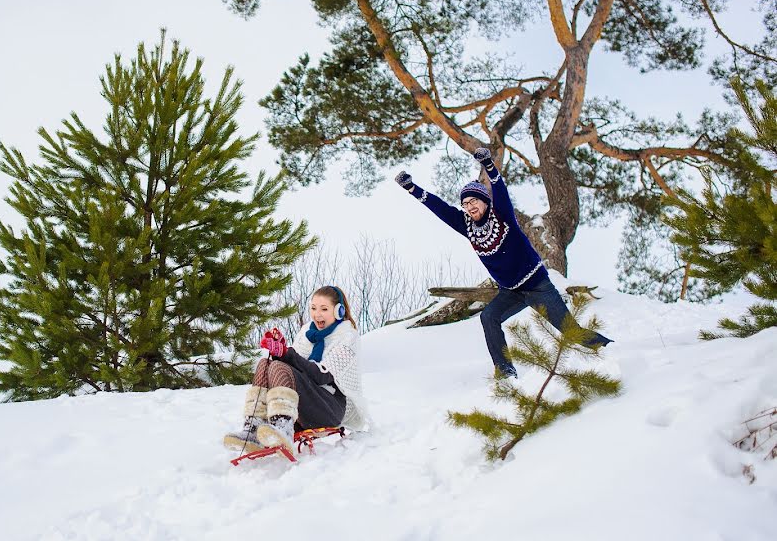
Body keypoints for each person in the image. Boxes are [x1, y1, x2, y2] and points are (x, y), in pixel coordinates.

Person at [395, 147, 613, 379]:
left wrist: (489, 165)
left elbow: (500, 191)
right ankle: (505, 370)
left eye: (474, 201)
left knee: (570, 332)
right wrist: (412, 189)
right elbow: (440, 208)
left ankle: (610, 348)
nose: (469, 207)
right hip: (510, 292)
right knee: (489, 317)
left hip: (537, 286)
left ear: (485, 201)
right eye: (465, 203)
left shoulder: (502, 216)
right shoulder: (467, 227)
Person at [223, 285, 368, 453]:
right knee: (266, 363)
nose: (317, 314)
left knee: (278, 365)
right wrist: (279, 352)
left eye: (324, 309)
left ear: (338, 311)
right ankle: (253, 428)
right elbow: (293, 366)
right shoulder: (307, 332)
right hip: (304, 405)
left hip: (330, 407)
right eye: (313, 308)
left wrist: (286, 354)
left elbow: (322, 376)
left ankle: (283, 427)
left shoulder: (347, 336)